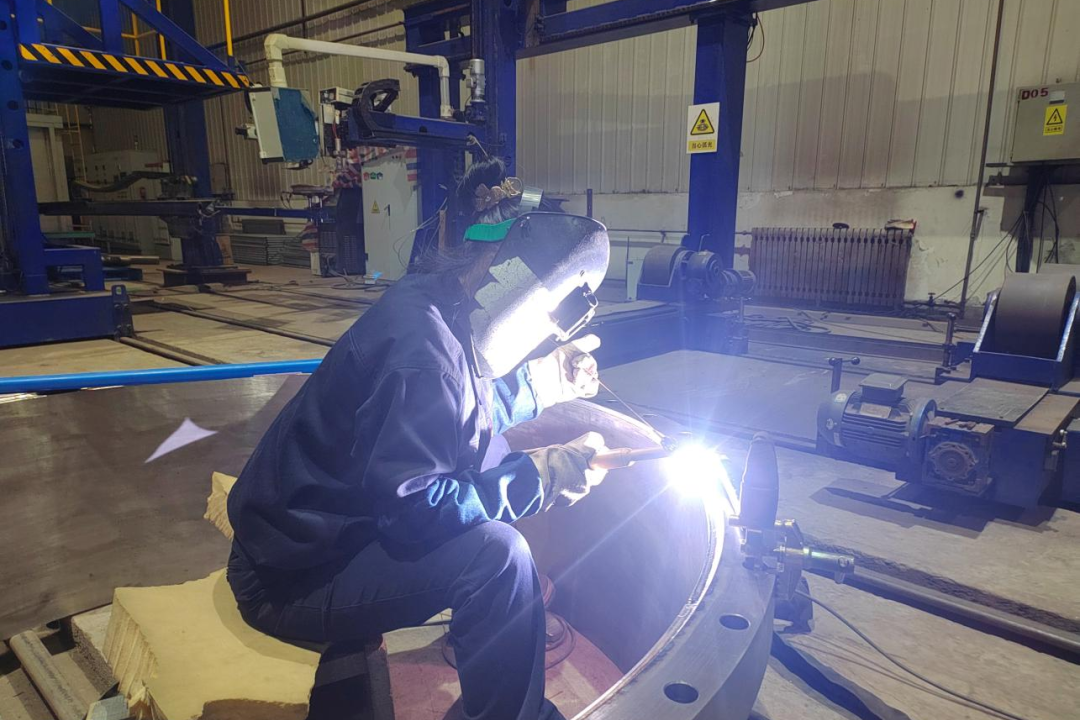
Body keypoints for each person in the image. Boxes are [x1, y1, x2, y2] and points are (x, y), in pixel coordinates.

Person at [226, 157, 612, 720]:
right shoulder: (423, 355)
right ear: (506, 276)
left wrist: (545, 381)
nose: (545, 330)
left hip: (312, 538)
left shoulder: (436, 303)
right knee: (497, 558)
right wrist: (544, 476)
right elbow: (417, 511)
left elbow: (456, 410)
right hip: (288, 581)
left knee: (491, 464)